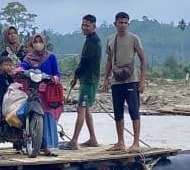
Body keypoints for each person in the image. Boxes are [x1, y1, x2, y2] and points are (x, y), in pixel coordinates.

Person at [101, 11, 146, 153]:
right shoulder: (110, 39)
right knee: (118, 111)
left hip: (131, 80)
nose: (123, 25)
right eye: (120, 22)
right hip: (116, 81)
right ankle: (120, 142)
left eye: (126, 23)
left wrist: (142, 80)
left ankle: (136, 142)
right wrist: (106, 79)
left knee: (134, 110)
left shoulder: (134, 38)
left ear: (128, 24)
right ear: (115, 23)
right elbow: (109, 61)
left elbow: (143, 59)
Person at [62, 14, 101, 150]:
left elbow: (85, 61)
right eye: (83, 25)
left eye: (87, 25)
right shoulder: (90, 39)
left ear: (94, 26)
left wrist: (76, 75)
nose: (84, 27)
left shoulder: (93, 41)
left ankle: (74, 141)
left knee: (81, 109)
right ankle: (93, 139)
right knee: (87, 109)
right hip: (87, 79)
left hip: (89, 80)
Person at [21, 33, 61, 154]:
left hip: (47, 92)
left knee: (47, 117)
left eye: (40, 41)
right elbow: (23, 67)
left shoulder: (51, 57)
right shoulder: (28, 57)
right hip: (33, 90)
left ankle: (48, 146)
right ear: (32, 43)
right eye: (35, 41)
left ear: (44, 43)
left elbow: (57, 73)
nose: (38, 44)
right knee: (28, 113)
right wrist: (20, 70)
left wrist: (54, 78)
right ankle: (30, 143)